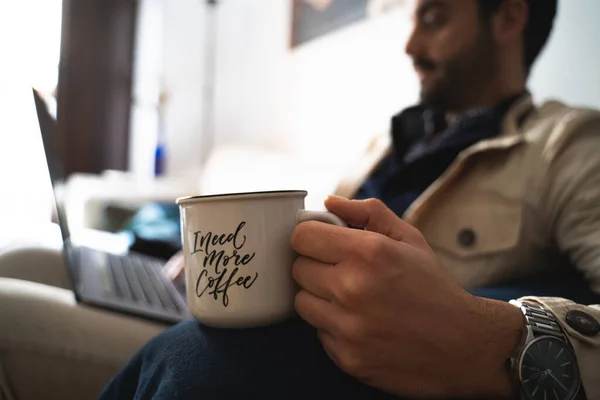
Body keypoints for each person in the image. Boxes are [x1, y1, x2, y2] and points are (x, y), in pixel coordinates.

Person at [97, 0, 600, 399]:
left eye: (434, 17)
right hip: (239, 317)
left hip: (316, 364)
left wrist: (486, 342)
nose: (410, 43)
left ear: (509, 16)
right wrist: (217, 255)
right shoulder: (386, 143)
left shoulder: (567, 146)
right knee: (40, 264)